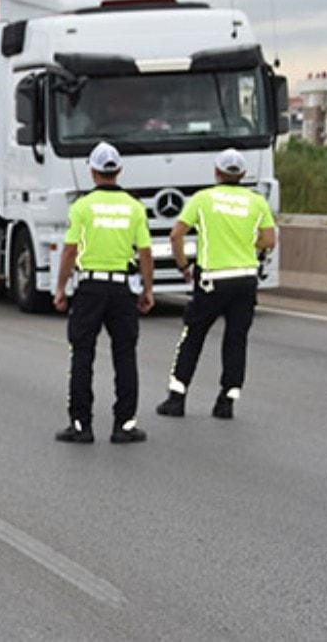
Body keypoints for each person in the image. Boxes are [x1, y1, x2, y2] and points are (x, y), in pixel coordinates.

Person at [156, 149, 276, 420]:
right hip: (245, 279)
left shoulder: (203, 199)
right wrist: (247, 245)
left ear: (217, 173)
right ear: (243, 174)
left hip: (213, 279)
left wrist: (184, 266)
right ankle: (226, 401)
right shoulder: (256, 202)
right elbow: (269, 240)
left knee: (193, 336)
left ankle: (177, 397)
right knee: (236, 340)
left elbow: (176, 235)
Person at [53, 141, 154, 444]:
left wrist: (60, 286)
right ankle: (124, 425)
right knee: (125, 356)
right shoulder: (135, 207)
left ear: (93, 172)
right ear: (118, 170)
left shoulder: (82, 207)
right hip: (122, 289)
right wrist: (148, 289)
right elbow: (146, 252)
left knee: (82, 355)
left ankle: (81, 425)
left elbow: (70, 250)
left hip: (90, 288)